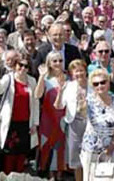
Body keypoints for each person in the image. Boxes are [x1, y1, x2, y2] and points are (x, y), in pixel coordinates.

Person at [0, 54, 39, 174]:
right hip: (10, 123)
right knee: (10, 155)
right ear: (15, 65)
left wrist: (35, 124)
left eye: (26, 66)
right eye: (20, 65)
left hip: (26, 123)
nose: (23, 68)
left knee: (22, 154)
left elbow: (35, 103)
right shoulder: (9, 78)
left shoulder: (32, 81)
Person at [80, 69, 114, 181]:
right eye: (96, 84)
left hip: (110, 148)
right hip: (91, 149)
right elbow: (82, 112)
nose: (100, 86)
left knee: (109, 177)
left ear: (108, 82)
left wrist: (113, 143)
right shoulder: (88, 101)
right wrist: (81, 104)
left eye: (103, 82)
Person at [54, 59, 89, 181]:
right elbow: (58, 106)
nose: (79, 74)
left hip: (91, 126)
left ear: (85, 71)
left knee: (90, 157)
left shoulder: (93, 84)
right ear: (72, 74)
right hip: (74, 124)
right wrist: (60, 91)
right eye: (76, 71)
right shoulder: (68, 86)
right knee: (76, 159)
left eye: (81, 70)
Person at [34, 50, 67, 178]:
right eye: (55, 61)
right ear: (49, 63)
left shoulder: (67, 77)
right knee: (47, 146)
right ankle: (49, 175)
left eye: (60, 60)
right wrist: (42, 76)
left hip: (63, 118)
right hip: (48, 118)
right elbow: (37, 95)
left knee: (61, 148)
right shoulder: (46, 78)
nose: (58, 63)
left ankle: (59, 175)